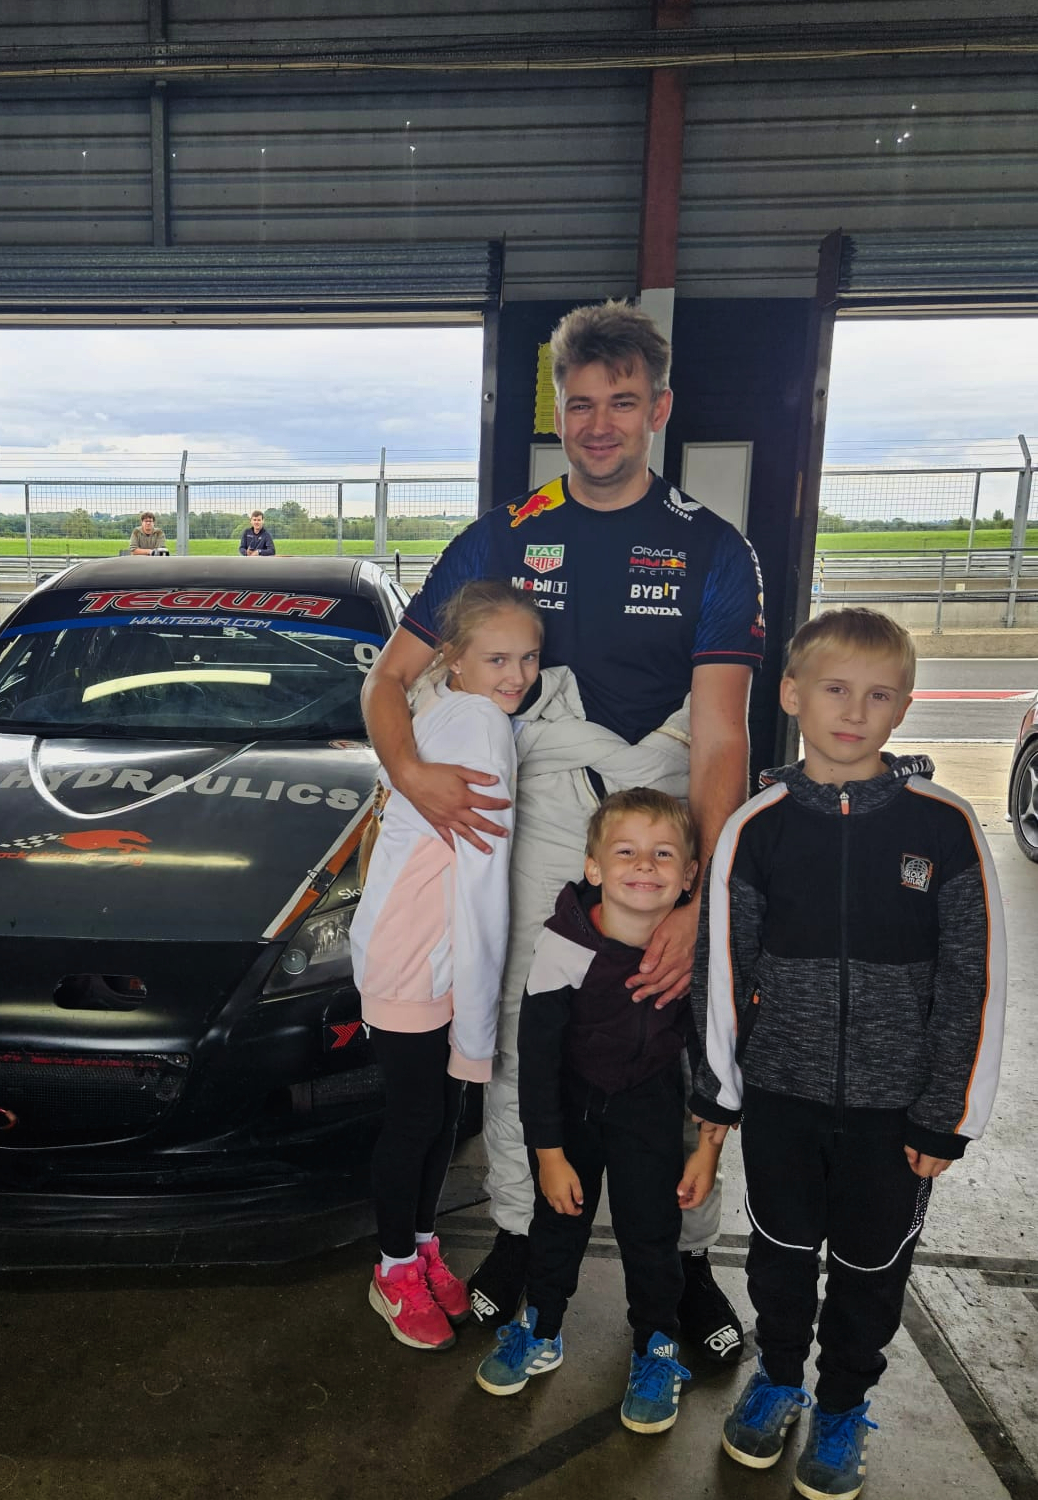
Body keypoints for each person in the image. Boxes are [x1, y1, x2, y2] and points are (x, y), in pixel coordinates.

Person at [360, 298, 765, 1359]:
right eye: (580, 404)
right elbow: (390, 680)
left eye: (621, 403)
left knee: (671, 1021)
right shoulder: (502, 531)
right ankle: (516, 1233)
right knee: (511, 1019)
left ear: (657, 410)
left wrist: (700, 896)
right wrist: (412, 775)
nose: (598, 424)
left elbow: (723, 737)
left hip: (663, 805)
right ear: (557, 410)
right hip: (531, 802)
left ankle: (680, 1259)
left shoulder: (714, 549)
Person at [693, 608, 1006, 1500]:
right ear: (792, 695)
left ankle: (841, 1405)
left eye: (878, 696)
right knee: (779, 1253)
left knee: (872, 1267)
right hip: (782, 1099)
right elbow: (722, 969)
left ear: (903, 708)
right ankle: (781, 1378)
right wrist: (717, 1102)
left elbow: (975, 982)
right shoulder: (757, 828)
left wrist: (948, 1114)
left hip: (895, 1112)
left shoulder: (944, 828)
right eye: (835, 689)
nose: (854, 711)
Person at [476, 789, 718, 1439]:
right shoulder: (564, 944)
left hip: (651, 1106)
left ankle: (657, 1348)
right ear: (594, 867)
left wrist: (707, 1147)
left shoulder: (693, 953)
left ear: (690, 874)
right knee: (556, 1228)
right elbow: (538, 1056)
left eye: (664, 853)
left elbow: (713, 1051)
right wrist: (548, 1155)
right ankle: (542, 1328)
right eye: (626, 852)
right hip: (573, 1107)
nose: (645, 865)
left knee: (652, 1233)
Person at [351, 581, 542, 1351]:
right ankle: (394, 1270)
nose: (516, 675)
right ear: (453, 659)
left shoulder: (454, 710)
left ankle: (423, 1246)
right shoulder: (477, 722)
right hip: (413, 953)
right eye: (497, 657)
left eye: (529, 658)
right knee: (417, 1119)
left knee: (436, 1116)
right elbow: (481, 879)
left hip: (429, 948)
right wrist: (481, 993)